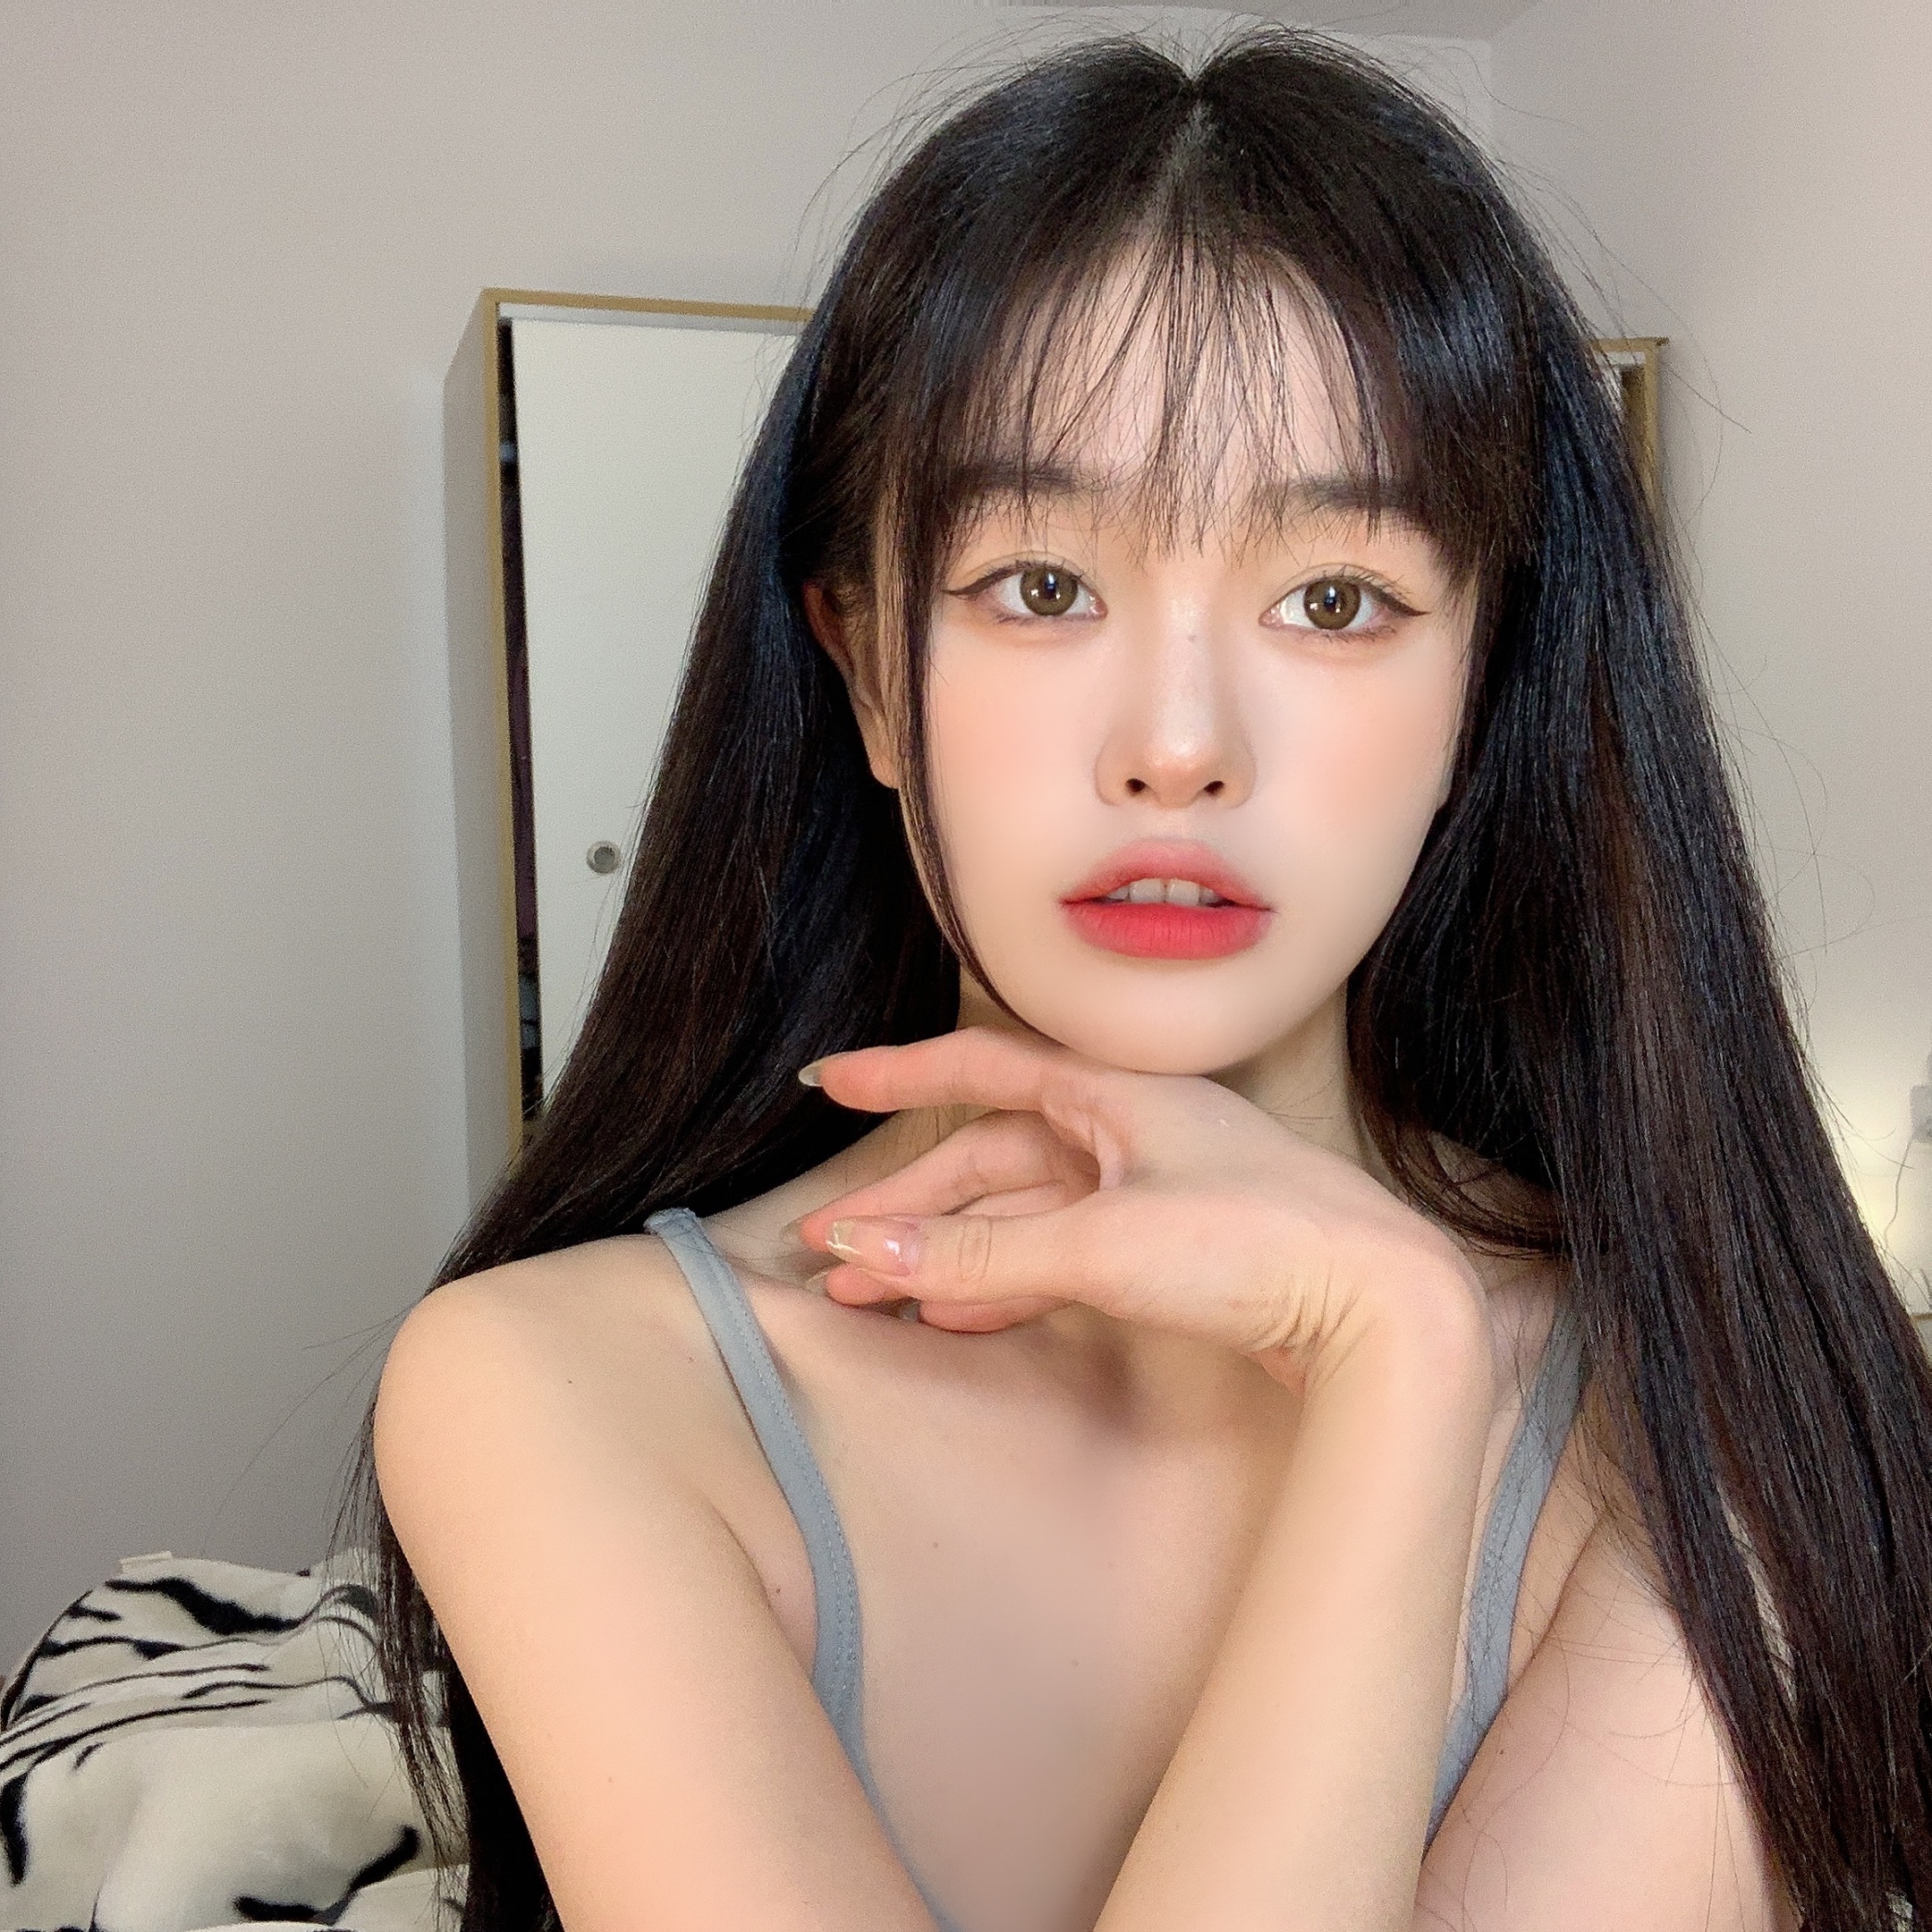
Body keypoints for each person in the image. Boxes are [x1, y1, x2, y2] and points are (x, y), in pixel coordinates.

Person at [353, 27, 1932, 1931]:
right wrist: (1394, 1350)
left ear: (1477, 690)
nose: (1177, 747)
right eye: (1041, 586)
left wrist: (1398, 1349)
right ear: (865, 674)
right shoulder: (557, 1384)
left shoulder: (1731, 1418)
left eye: (1336, 600)